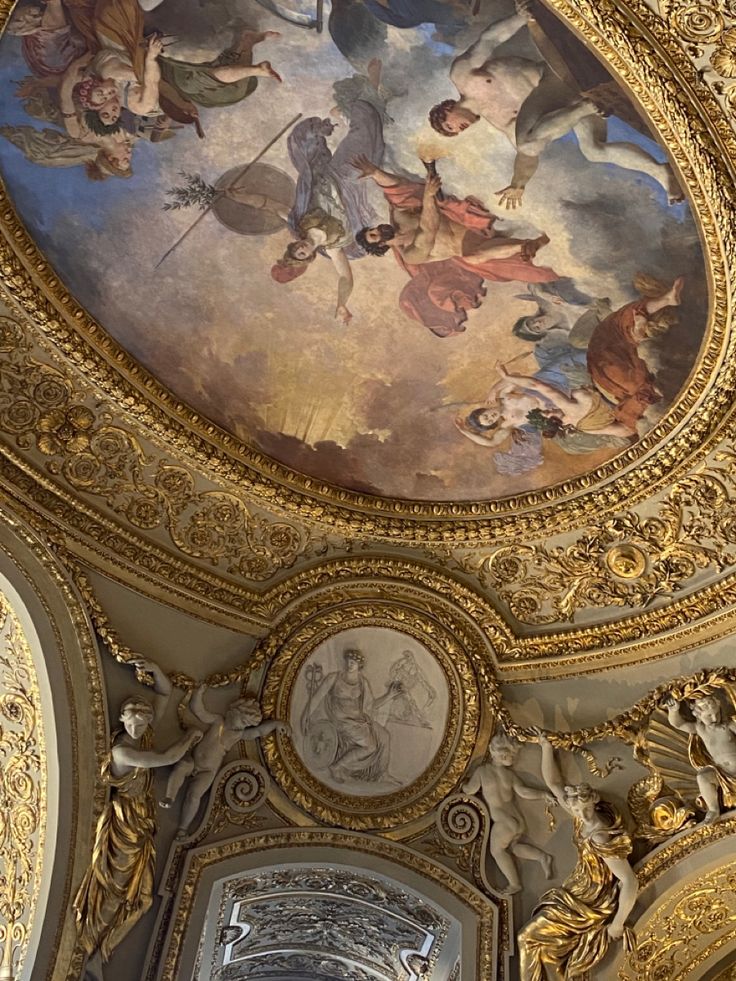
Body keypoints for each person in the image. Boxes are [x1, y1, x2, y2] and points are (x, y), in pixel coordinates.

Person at [428, 4, 680, 209]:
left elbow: (490, 39)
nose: (458, 128)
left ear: (446, 108)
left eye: (449, 124)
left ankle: (589, 106)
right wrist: (518, 184)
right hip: (567, 103)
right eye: (456, 132)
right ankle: (661, 172)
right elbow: (527, 155)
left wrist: (520, 18)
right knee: (592, 150)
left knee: (529, 141)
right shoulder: (499, 120)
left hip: (553, 73)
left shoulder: (462, 76)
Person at [73, 657, 202, 964]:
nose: (139, 725)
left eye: (143, 721)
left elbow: (164, 693)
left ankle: (102, 952)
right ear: (122, 717)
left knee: (142, 900)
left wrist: (154, 669)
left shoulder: (142, 734)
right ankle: (90, 950)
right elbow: (165, 758)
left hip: (142, 823)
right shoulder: (123, 751)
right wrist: (191, 738)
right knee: (115, 890)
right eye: (133, 720)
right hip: (123, 825)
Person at [353, 154, 558, 336]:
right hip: (471, 248)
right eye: (375, 236)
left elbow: (397, 189)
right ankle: (530, 244)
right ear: (382, 246)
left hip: (470, 223)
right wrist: (429, 195)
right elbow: (428, 230)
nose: (379, 230)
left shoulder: (398, 215)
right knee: (474, 258)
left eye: (373, 229)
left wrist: (375, 172)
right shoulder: (410, 255)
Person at [270, 64, 387, 325]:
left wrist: (231, 195)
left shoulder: (298, 223)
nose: (300, 248)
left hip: (335, 174)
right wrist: (341, 304)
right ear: (308, 257)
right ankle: (371, 92)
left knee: (362, 133)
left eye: (294, 249)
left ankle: (368, 88)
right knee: (372, 141)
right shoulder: (332, 248)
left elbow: (270, 204)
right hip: (355, 185)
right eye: (301, 255)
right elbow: (346, 278)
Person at [517, 728, 638, 980]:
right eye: (577, 809)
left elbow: (629, 880)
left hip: (589, 902)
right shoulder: (581, 819)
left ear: (593, 802)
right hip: (574, 893)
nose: (582, 815)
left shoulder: (600, 835)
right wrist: (546, 747)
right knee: (545, 951)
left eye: (585, 809)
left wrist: (617, 924)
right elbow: (554, 783)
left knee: (526, 938)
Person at [160, 687, 289, 834]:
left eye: (246, 724)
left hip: (208, 771)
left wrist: (276, 724)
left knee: (194, 795)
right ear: (232, 711)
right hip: (193, 760)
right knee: (182, 766)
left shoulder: (238, 735)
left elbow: (258, 732)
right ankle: (169, 797)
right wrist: (198, 693)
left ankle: (183, 828)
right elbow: (199, 711)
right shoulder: (217, 721)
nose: (241, 725)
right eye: (242, 720)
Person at [462, 730, 555, 894]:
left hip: (503, 822)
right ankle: (542, 857)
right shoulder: (509, 775)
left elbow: (469, 790)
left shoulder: (483, 772)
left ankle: (515, 884)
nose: (512, 758)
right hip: (517, 821)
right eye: (511, 755)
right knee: (513, 847)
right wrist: (543, 794)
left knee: (497, 851)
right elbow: (524, 792)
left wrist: (462, 784)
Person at [586, 275, 683, 430]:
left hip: (612, 375)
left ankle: (663, 303)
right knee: (614, 330)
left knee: (613, 331)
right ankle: (662, 304)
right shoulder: (634, 402)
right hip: (621, 381)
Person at [301, 648, 403, 784]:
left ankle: (383, 774)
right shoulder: (334, 678)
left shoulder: (362, 682)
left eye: (353, 662)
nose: (350, 664)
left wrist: (389, 695)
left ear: (359, 665)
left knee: (384, 736)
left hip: (359, 720)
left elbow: (371, 705)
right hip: (342, 721)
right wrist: (305, 716)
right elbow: (317, 697)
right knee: (370, 747)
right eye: (348, 661)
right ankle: (336, 767)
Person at [664, 693, 736, 824]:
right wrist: (673, 711)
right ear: (697, 715)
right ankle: (713, 809)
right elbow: (678, 724)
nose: (714, 718)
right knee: (703, 777)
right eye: (709, 716)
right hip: (722, 772)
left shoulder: (729, 725)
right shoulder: (700, 729)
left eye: (717, 713)